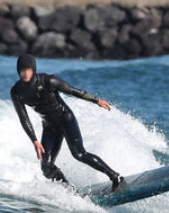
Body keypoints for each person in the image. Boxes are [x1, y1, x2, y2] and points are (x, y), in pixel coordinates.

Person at [10, 54, 124, 191]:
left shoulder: (48, 80)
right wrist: (34, 140)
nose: (25, 73)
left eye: (28, 69)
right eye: (22, 70)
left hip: (65, 119)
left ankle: (115, 177)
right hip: (49, 126)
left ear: (33, 69)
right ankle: (70, 191)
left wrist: (96, 100)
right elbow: (24, 118)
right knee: (46, 167)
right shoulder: (16, 91)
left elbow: (73, 91)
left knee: (79, 154)